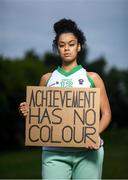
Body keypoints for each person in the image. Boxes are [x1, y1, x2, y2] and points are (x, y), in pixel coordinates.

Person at [19, 18, 111, 179]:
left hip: (88, 152)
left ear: (79, 46)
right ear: (57, 48)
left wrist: (93, 133)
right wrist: (27, 111)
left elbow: (107, 114)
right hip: (54, 154)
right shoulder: (47, 79)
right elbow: (38, 116)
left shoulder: (93, 78)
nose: (66, 48)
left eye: (71, 44)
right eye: (62, 45)